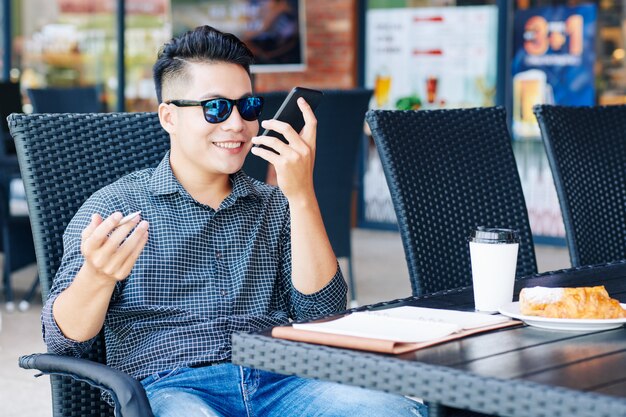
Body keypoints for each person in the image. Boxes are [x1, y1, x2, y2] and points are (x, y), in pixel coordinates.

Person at [41, 25, 427, 417]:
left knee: (401, 411)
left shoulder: (274, 204)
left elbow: (322, 314)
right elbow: (62, 344)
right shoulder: (116, 208)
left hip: (284, 381)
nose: (236, 124)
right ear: (169, 117)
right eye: (216, 107)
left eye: (248, 106)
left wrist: (302, 195)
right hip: (173, 386)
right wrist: (97, 276)